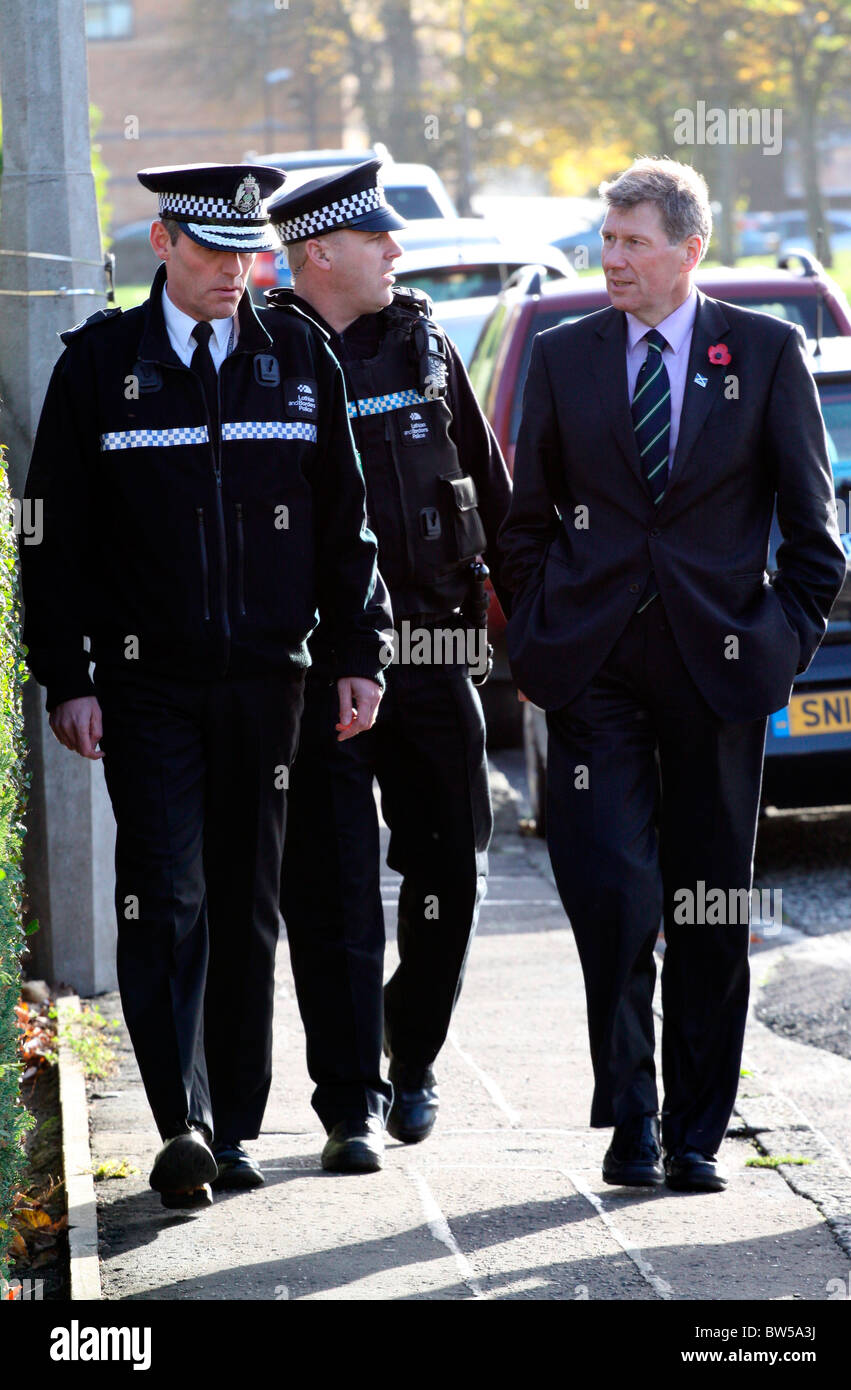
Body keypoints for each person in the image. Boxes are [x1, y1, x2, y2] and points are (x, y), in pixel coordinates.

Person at [21, 163, 391, 1208]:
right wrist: (68, 677)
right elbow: (51, 541)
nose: (238, 271)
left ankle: (235, 1128)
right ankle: (179, 1121)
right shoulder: (99, 368)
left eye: (249, 251)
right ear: (163, 246)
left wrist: (358, 652)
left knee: (246, 902)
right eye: (216, 251)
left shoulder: (298, 355)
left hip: (270, 680)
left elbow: (343, 526)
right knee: (166, 895)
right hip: (145, 687)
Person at [499, 157, 845, 1194]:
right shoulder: (564, 358)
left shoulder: (767, 353)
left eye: (631, 243)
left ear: (686, 249)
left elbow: (811, 535)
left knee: (703, 901)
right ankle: (632, 1115)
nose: (612, 260)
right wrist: (545, 630)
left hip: (718, 666)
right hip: (594, 668)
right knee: (612, 889)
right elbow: (522, 526)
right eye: (605, 242)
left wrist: (776, 641)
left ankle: (695, 1128)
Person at [265, 160, 513, 1173]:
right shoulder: (268, 360)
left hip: (433, 651)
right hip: (322, 673)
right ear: (319, 252)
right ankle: (346, 1106)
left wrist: (537, 633)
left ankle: (408, 1053)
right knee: (330, 892)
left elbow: (494, 501)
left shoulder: (421, 342)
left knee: (449, 871)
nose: (397, 251)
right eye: (378, 238)